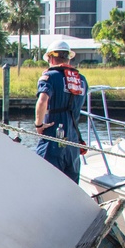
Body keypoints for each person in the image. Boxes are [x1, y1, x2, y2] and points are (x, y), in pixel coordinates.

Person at [35, 39, 88, 183]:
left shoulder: (49, 77)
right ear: (68, 58)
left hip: (53, 138)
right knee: (70, 185)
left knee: (42, 179)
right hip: (73, 141)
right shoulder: (82, 80)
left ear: (51, 58)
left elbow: (43, 101)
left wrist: (39, 125)